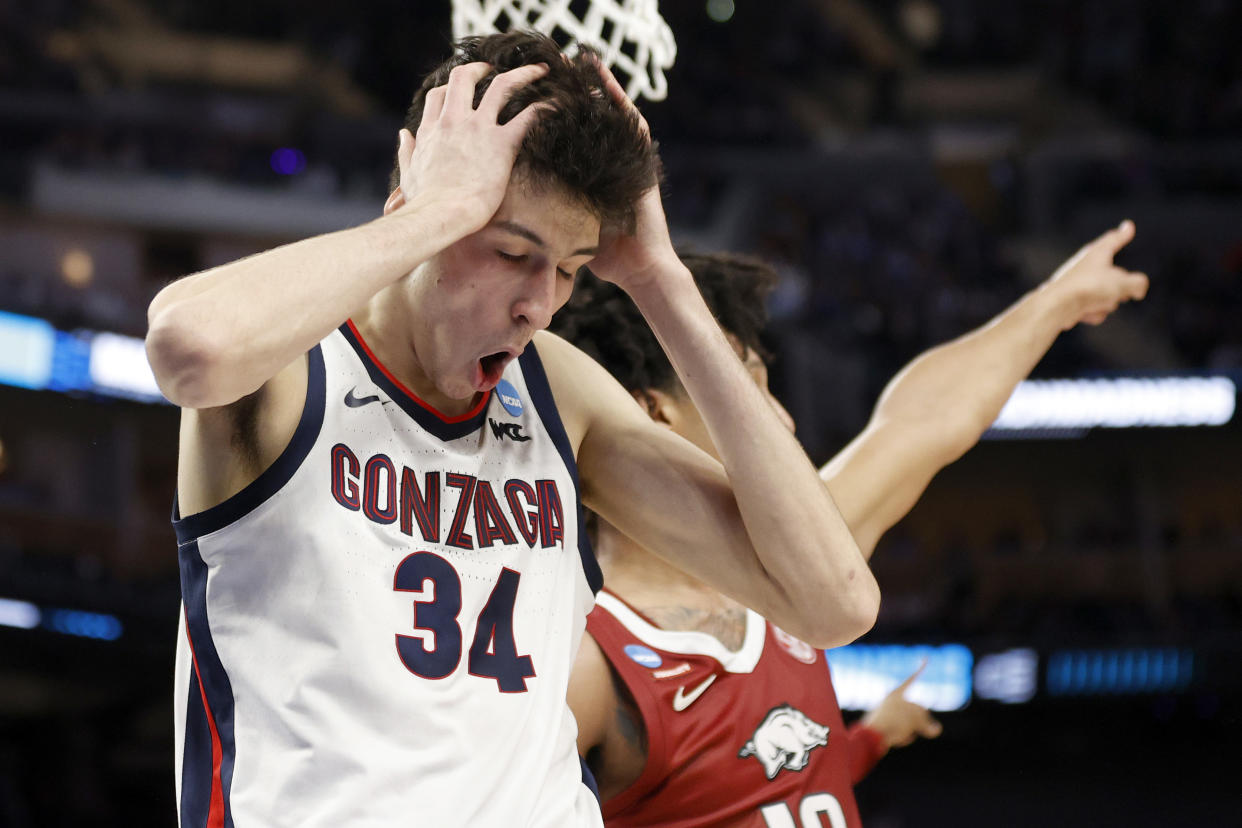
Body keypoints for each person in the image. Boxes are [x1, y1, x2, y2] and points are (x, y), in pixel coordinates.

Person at [144, 32, 879, 828]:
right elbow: (189, 349)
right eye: (509, 251)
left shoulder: (558, 393)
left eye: (568, 268)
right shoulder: (294, 369)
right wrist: (432, 211)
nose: (538, 304)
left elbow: (832, 605)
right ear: (416, 200)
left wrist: (656, 278)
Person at [556, 226, 1149, 827]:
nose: (784, 420)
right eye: (753, 387)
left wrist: (1056, 301)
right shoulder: (583, 658)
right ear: (653, 411)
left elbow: (921, 421)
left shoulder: (800, 571)